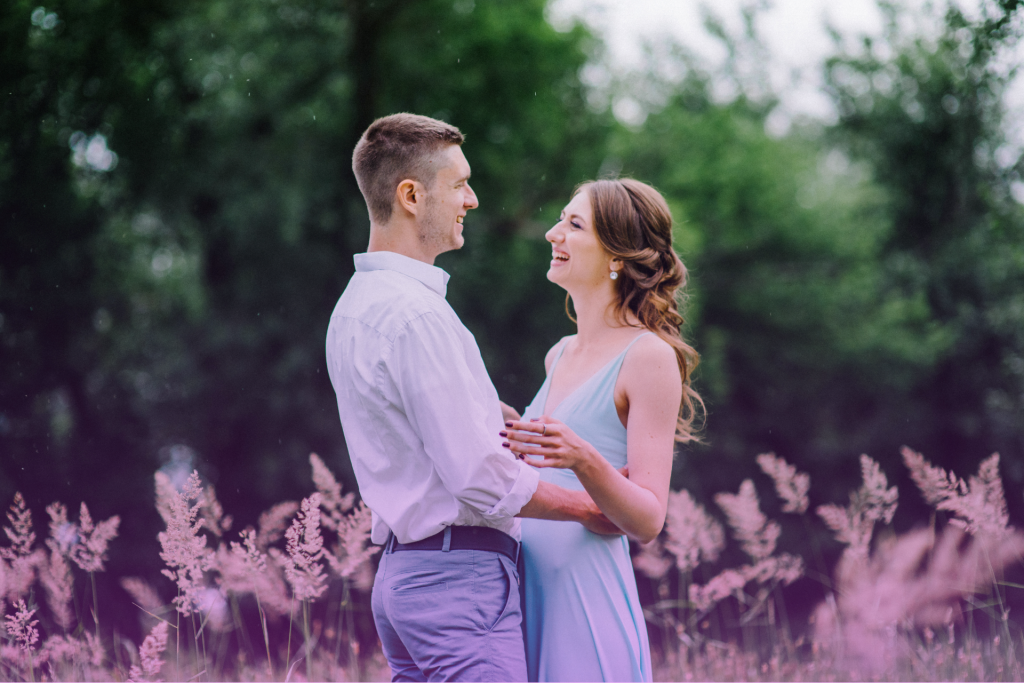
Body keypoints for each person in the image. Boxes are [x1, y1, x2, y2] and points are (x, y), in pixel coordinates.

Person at [325, 113, 617, 683]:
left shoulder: (354, 306)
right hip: (456, 584)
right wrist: (590, 508)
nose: (473, 199)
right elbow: (479, 476)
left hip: (404, 582)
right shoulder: (416, 315)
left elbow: (407, 431)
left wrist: (483, 413)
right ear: (411, 196)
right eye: (459, 184)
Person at [503, 178, 703, 682]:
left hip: (583, 599)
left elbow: (649, 520)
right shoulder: (559, 353)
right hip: (522, 593)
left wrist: (585, 459)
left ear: (617, 256)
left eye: (573, 225)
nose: (553, 234)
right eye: (559, 221)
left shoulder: (649, 357)